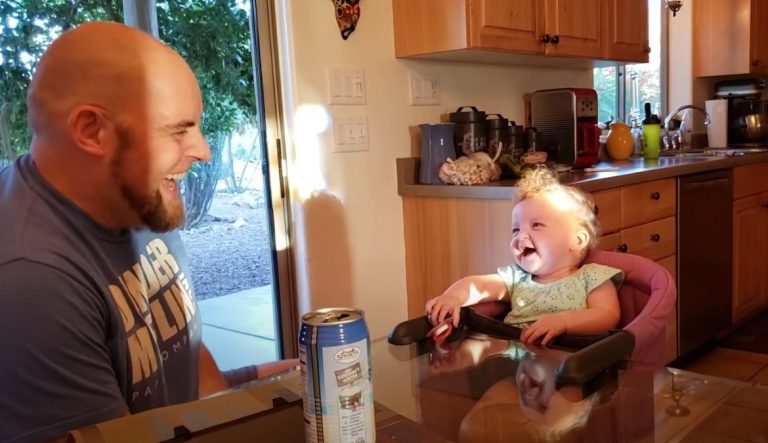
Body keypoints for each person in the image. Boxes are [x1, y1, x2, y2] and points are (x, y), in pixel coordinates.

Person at [0, 21, 293, 443]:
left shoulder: (137, 200)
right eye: (179, 130)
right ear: (92, 131)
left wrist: (285, 379)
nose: (203, 150)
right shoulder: (30, 279)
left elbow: (192, 375)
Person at [426, 167, 623, 346]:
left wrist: (563, 321)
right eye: (515, 229)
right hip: (517, 361)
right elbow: (478, 286)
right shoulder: (516, 278)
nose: (521, 236)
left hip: (570, 360)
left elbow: (607, 315)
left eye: (536, 225)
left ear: (577, 241)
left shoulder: (592, 277)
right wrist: (452, 297)